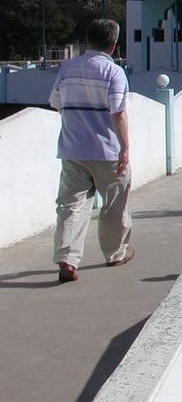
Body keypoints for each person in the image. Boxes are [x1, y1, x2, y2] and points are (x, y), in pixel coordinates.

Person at [48, 19, 134, 283]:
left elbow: (56, 103)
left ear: (89, 40)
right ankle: (115, 253)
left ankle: (67, 259)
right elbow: (117, 113)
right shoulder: (114, 72)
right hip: (107, 151)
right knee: (114, 204)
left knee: (71, 206)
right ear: (113, 44)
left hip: (73, 150)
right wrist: (125, 148)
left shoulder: (67, 68)